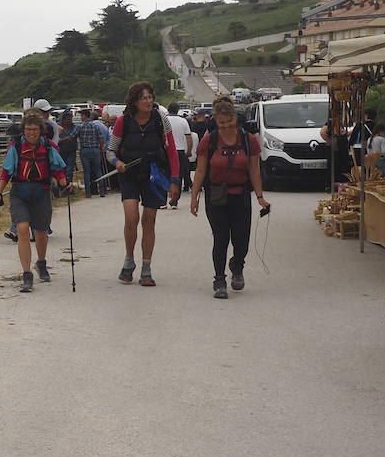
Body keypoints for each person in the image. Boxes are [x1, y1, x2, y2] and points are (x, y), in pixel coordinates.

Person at [190, 97, 269, 299]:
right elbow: (200, 171)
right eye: (221, 123)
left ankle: (237, 265)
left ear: (235, 118)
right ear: (216, 121)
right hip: (216, 195)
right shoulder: (210, 140)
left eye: (229, 122)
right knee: (221, 238)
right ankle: (219, 279)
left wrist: (260, 197)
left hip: (240, 195)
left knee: (241, 240)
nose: (225, 127)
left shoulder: (248, 140)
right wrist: (194, 198)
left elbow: (254, 171)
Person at [107, 81, 180, 286]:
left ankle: (146, 268)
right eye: (144, 98)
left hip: (154, 175)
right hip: (129, 175)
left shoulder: (161, 120)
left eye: (150, 97)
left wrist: (174, 180)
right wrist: (118, 162)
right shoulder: (124, 121)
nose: (148, 101)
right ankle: (129, 260)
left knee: (149, 220)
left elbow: (172, 151)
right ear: (135, 101)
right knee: (131, 217)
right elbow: (110, 151)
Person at [0, 114, 70, 292]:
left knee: (41, 233)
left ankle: (41, 263)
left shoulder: (48, 147)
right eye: (28, 129)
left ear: (40, 130)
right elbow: (6, 172)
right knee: (22, 230)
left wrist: (65, 184)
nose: (31, 133)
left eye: (35, 129)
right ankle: (27, 274)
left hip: (41, 193)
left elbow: (58, 170)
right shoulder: (16, 147)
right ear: (23, 130)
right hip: (19, 193)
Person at [74, 108, 110, 197]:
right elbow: (101, 138)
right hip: (95, 149)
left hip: (85, 150)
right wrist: (101, 147)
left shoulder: (80, 126)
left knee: (87, 172)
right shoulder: (96, 126)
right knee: (98, 170)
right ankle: (101, 190)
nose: (81, 117)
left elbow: (73, 135)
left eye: (81, 115)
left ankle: (88, 192)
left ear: (84, 116)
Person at [165, 102, 193, 209]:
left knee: (164, 174)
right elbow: (188, 138)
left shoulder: (164, 120)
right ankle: (174, 202)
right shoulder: (183, 121)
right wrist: (189, 151)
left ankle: (163, 200)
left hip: (166, 150)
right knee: (178, 176)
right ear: (178, 110)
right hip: (180, 151)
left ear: (168, 109)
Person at [57, 110, 79, 176]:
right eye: (67, 119)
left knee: (69, 169)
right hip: (60, 151)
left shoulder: (74, 127)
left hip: (71, 151)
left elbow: (72, 137)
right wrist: (66, 139)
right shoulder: (58, 126)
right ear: (63, 119)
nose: (69, 120)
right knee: (61, 168)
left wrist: (62, 139)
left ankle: (68, 183)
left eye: (70, 118)